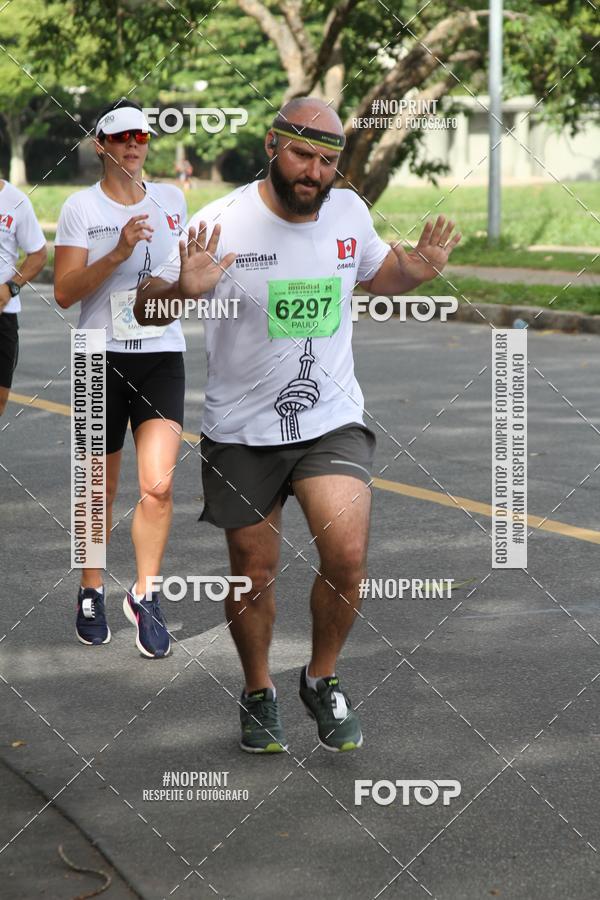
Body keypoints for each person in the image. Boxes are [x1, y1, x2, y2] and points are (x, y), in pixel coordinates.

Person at [134, 97, 461, 750]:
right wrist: (178, 291)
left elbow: (376, 272)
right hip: (243, 431)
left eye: (329, 161)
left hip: (330, 419)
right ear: (270, 145)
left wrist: (414, 270)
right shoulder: (219, 223)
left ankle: (322, 677)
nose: (315, 172)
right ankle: (259, 689)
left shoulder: (347, 211)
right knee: (253, 575)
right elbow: (143, 310)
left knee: (346, 554)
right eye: (303, 155)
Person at [54, 98, 189, 658]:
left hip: (160, 353)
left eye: (143, 136)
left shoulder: (173, 199)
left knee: (158, 486)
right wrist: (118, 251)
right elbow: (65, 292)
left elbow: (182, 275)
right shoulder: (81, 208)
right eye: (123, 136)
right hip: (97, 354)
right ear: (101, 146)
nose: (135, 144)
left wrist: (196, 280)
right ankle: (91, 590)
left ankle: (146, 594)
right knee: (98, 487)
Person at [0, 181, 47, 416]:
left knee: (0, 398)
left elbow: (38, 255)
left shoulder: (16, 201)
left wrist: (10, 288)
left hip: (3, 314)